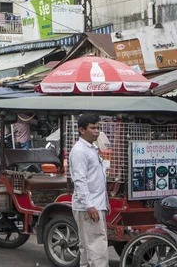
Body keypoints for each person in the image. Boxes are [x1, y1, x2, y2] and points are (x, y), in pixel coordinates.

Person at [69, 114, 108, 267]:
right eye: (92, 128)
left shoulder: (92, 148)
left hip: (96, 203)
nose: (96, 131)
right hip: (89, 206)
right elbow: (80, 180)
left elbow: (97, 178)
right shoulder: (80, 151)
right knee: (96, 248)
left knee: (87, 247)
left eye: (98, 128)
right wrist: (89, 205)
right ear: (82, 130)